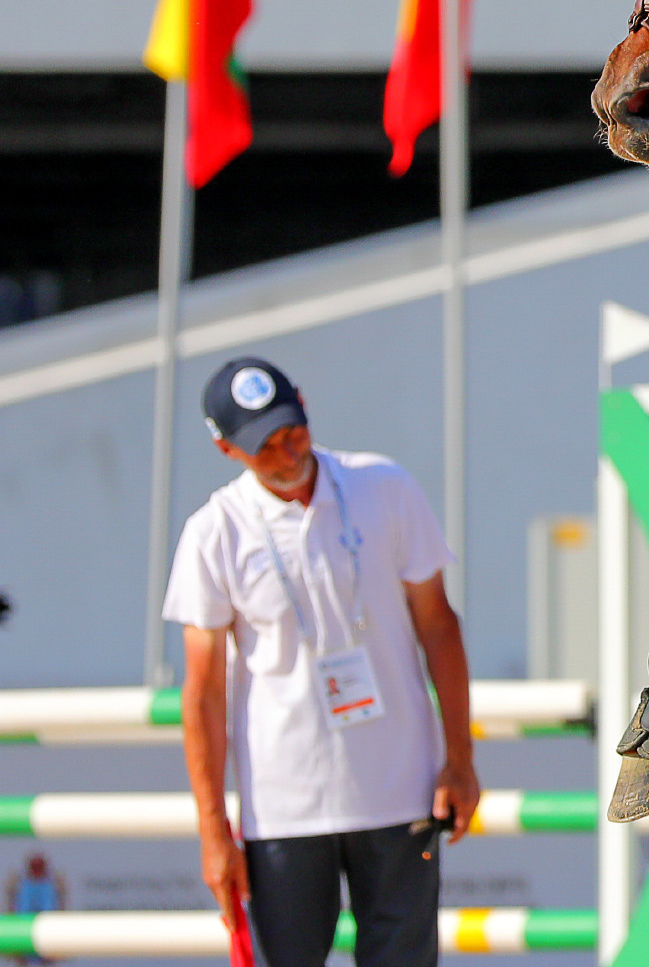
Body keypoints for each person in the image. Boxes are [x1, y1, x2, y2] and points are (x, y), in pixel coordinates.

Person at [162, 357, 479, 967]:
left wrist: (460, 760)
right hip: (282, 803)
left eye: (293, 431)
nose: (287, 452)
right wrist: (213, 830)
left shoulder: (384, 486)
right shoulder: (214, 530)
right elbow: (202, 693)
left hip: (402, 788)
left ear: (305, 403)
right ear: (226, 448)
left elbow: (440, 627)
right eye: (265, 445)